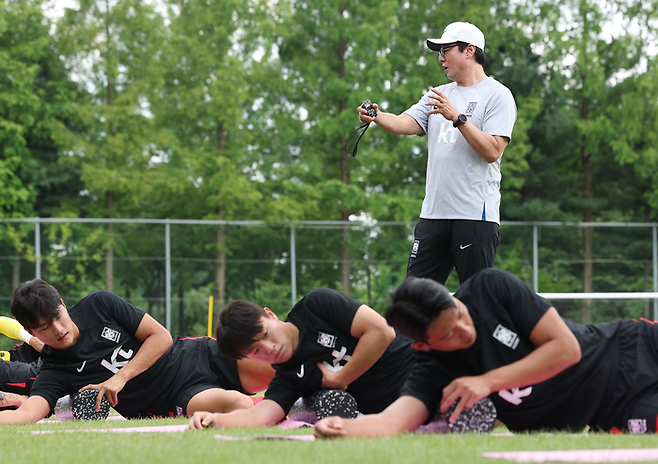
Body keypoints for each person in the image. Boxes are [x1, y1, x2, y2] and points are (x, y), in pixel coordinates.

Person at [314, 268, 658, 437]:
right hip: (614, 407)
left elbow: (566, 349)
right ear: (423, 344)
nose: (465, 329)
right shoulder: (432, 367)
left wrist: (486, 382)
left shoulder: (491, 287)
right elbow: (394, 421)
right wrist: (342, 427)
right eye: (449, 333)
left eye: (460, 314)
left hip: (631, 345)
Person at [357, 22, 517, 285]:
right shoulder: (439, 94)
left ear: (469, 51)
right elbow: (402, 123)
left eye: (446, 50)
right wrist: (375, 116)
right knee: (412, 300)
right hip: (433, 216)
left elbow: (492, 151)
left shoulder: (498, 95)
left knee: (476, 300)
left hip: (474, 216)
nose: (441, 58)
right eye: (439, 52)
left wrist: (458, 118)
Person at [0, 279, 275, 425]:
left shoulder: (99, 304)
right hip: (178, 398)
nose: (58, 329)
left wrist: (119, 377)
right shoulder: (54, 370)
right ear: (32, 332)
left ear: (61, 303)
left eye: (58, 316)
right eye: (45, 327)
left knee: (282, 369)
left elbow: (161, 337)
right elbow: (25, 415)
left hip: (196, 355)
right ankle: (293, 407)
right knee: (237, 406)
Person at [188, 288, 416, 429]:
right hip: (409, 407)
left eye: (265, 334)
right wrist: (215, 420)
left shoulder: (316, 306)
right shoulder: (289, 377)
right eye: (255, 352)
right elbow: (260, 415)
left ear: (270, 315)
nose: (270, 348)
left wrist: (342, 379)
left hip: (424, 366)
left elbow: (382, 332)